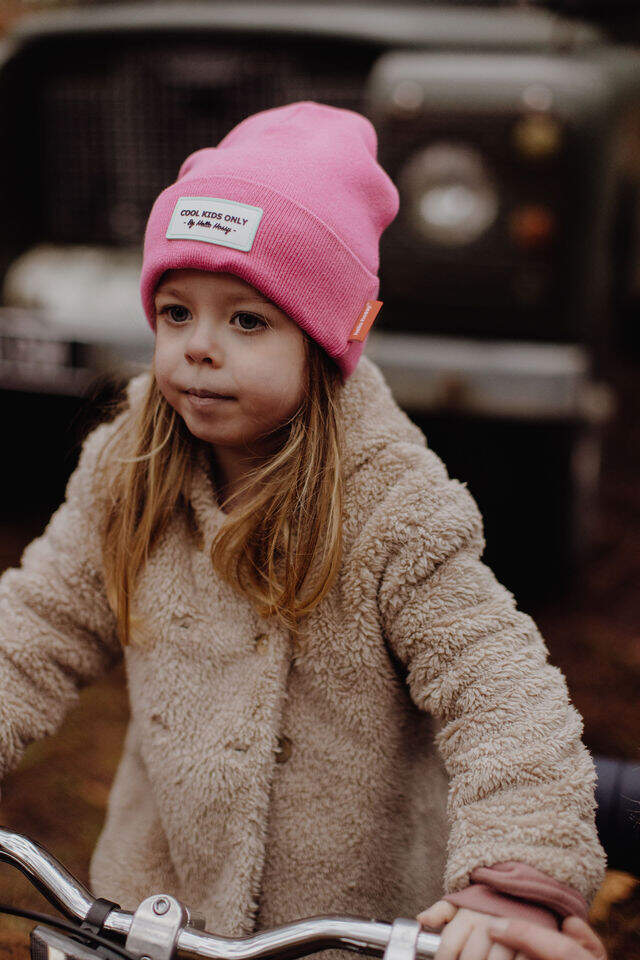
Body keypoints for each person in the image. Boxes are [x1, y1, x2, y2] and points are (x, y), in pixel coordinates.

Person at [0, 102, 607, 960]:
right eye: (175, 312)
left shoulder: (396, 510)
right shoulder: (128, 471)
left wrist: (514, 877)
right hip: (152, 913)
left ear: (327, 337)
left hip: (347, 932)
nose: (199, 347)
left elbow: (502, 695)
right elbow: (35, 627)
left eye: (247, 320)